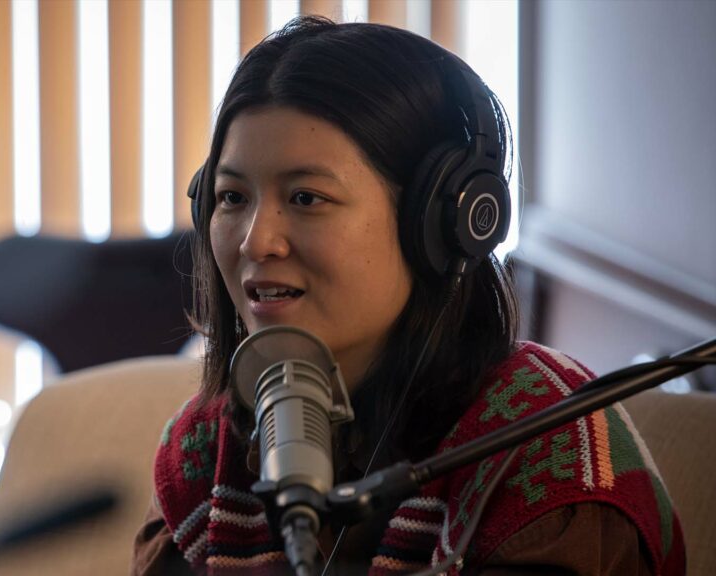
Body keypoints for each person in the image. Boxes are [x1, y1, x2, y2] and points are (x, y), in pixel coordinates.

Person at [133, 17, 684, 576]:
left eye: (305, 197)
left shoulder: (548, 451)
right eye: (231, 197)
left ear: (438, 224)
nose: (257, 240)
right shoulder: (203, 449)